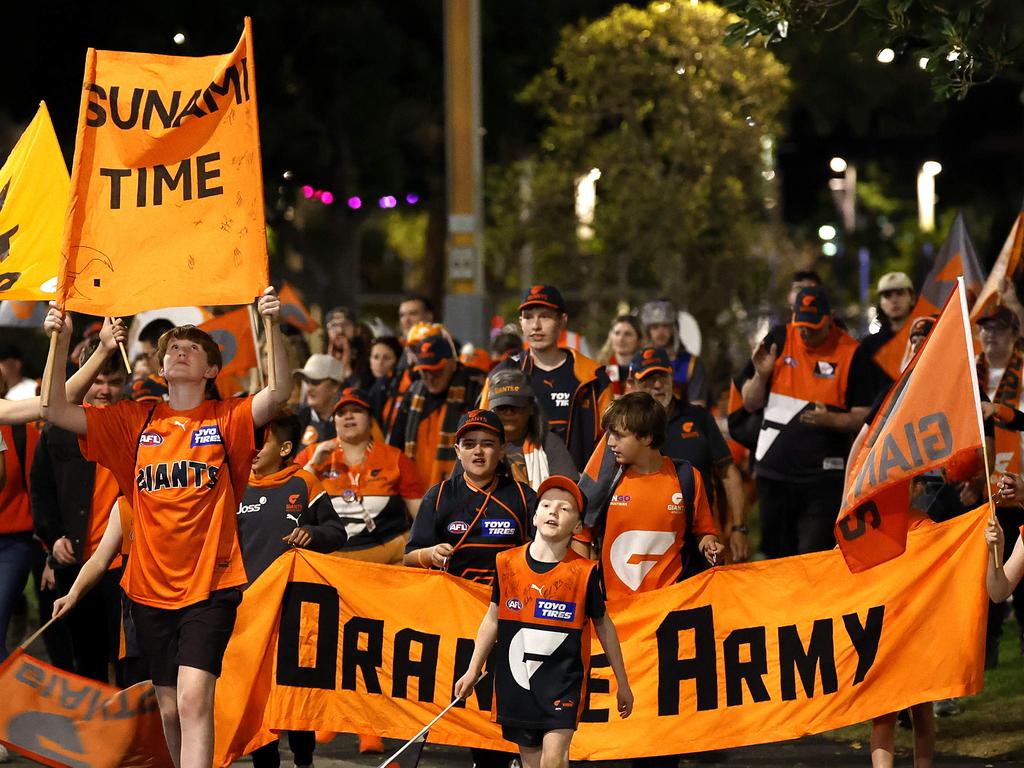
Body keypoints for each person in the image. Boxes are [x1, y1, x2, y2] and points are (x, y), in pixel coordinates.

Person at [41, 287, 291, 768]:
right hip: (148, 590)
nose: (179, 351)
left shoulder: (228, 417)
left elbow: (278, 392)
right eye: (172, 348)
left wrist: (271, 324)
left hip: (211, 585)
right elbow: (53, 409)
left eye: (192, 348)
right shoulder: (136, 419)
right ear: (159, 369)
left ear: (212, 370)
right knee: (172, 708)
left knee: (196, 699)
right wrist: (61, 338)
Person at [454, 476, 633, 768]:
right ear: (535, 516)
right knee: (531, 762)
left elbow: (604, 625)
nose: (554, 512)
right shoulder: (506, 563)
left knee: (554, 758)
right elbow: (492, 618)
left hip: (563, 683)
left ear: (577, 526)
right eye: (547, 505)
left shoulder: (585, 572)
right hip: (518, 682)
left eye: (565, 508)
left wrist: (622, 683)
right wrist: (473, 669)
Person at [405, 408, 535, 768]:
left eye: (488, 444)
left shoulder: (524, 497)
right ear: (457, 450)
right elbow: (407, 558)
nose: (479, 452)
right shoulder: (439, 495)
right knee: (458, 699)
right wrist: (429, 554)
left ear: (502, 450)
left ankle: (502, 758)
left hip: (510, 617)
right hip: (456, 620)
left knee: (502, 702)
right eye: (470, 444)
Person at [237, 409, 346, 768]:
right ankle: (263, 762)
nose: (251, 447)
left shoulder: (306, 484)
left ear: (285, 448)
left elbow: (337, 533)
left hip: (295, 609)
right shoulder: (234, 484)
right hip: (247, 610)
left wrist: (313, 533)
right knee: (255, 697)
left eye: (261, 440)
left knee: (294, 691)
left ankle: (304, 759)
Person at [738, 286, 875, 558]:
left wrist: (831, 420)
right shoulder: (778, 339)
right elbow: (750, 403)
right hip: (774, 476)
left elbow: (865, 416)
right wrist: (762, 376)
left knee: (813, 558)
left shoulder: (852, 353)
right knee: (775, 559)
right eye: (801, 325)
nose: (805, 332)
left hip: (822, 480)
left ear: (830, 317)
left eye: (814, 326)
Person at [30, 336, 129, 684]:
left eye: (114, 382)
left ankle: (130, 735)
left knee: (129, 658)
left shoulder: (134, 426)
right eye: (98, 380)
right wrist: (53, 538)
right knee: (86, 660)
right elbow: (40, 491)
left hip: (126, 564)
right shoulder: (57, 432)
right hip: (77, 564)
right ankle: (95, 734)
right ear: (84, 378)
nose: (104, 390)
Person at [629, 348, 749, 562]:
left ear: (672, 377)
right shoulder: (626, 428)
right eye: (648, 379)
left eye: (662, 377)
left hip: (703, 538)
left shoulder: (699, 417)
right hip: (647, 540)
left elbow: (729, 475)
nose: (657, 385)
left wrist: (739, 528)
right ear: (632, 384)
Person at [485, 285, 611, 471]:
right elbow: (483, 433)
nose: (536, 325)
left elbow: (610, 443)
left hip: (580, 489)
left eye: (544, 316)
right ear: (520, 322)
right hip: (515, 491)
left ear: (562, 320)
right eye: (528, 317)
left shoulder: (592, 377)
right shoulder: (502, 374)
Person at [305, 387, 423, 564]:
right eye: (341, 412)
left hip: (388, 562)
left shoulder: (396, 459)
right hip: (328, 564)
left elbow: (421, 516)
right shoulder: (310, 454)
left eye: (357, 410)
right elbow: (289, 503)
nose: (349, 416)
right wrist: (313, 465)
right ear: (333, 420)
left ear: (370, 419)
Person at [975, 305, 1024, 665]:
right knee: (990, 566)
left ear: (1015, 333)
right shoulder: (967, 371)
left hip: (1018, 477)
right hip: (983, 486)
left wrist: (1002, 412)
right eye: (984, 329)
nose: (990, 335)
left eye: (999, 329)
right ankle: (985, 646)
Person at [388, 328, 486, 488]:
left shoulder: (473, 393)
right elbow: (395, 447)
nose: (430, 377)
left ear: (453, 364)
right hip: (413, 494)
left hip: (458, 492)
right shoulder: (413, 394)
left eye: (437, 370)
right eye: (425, 371)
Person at [482, 368, 577, 488]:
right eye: (502, 407)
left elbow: (567, 491)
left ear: (531, 408)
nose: (509, 412)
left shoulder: (549, 443)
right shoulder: (476, 445)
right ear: (491, 411)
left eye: (516, 406)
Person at [639, 298, 708, 406]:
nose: (660, 332)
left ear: (674, 328)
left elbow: (698, 408)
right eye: (655, 327)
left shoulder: (691, 364)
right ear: (648, 331)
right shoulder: (638, 364)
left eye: (665, 326)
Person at [860, 272, 916, 389]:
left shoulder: (926, 339)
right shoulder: (869, 346)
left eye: (900, 293)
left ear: (912, 298)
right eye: (887, 295)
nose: (894, 300)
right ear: (880, 303)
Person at [294, 353, 346, 448]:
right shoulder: (295, 420)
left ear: (335, 386)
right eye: (306, 381)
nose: (309, 389)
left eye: (315, 382)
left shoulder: (351, 421)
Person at [599, 314, 643, 398]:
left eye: (627, 334)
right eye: (617, 333)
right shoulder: (600, 369)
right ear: (610, 336)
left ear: (639, 339)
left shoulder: (646, 370)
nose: (621, 339)